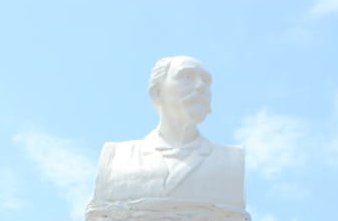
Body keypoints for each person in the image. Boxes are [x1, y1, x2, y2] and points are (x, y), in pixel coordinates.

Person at [91, 55, 244, 209]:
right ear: (157, 92)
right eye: (187, 76)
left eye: (206, 80)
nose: (200, 86)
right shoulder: (117, 158)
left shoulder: (230, 161)